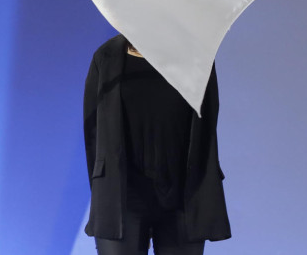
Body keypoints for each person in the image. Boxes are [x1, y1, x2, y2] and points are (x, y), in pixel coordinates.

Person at [83, 34, 231, 255]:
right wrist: (102, 189)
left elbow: (208, 122)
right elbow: (93, 134)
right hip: (123, 198)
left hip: (183, 197)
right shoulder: (106, 56)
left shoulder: (196, 56)